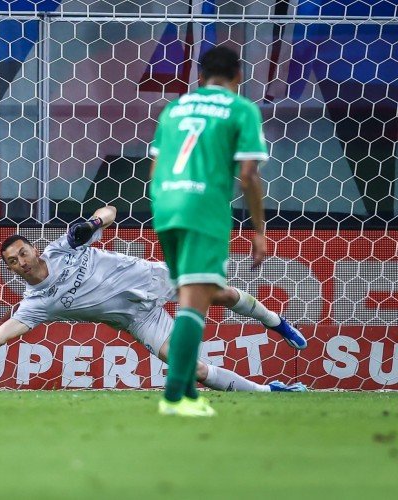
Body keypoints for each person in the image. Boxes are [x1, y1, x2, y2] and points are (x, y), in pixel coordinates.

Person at [0, 206, 307, 394]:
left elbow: (111, 210)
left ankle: (275, 321)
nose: (21, 263)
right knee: (191, 370)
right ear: (11, 271)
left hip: (150, 278)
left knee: (220, 293)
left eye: (23, 253)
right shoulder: (35, 303)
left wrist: (91, 222)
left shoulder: (66, 245)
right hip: (139, 320)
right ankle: (268, 391)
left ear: (34, 249)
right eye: (13, 262)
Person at [149, 46, 271, 416]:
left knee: (192, 294)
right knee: (193, 303)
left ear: (200, 78)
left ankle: (187, 394)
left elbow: (154, 170)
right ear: (238, 77)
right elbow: (248, 175)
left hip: (164, 206)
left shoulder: (175, 108)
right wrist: (259, 229)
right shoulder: (241, 109)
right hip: (203, 209)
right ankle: (174, 400)